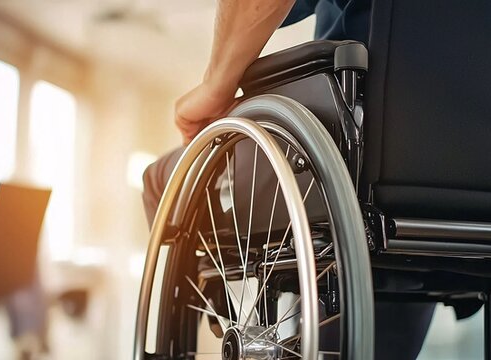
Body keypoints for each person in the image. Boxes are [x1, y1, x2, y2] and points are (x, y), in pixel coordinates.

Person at [142, 0, 435, 358]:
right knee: (393, 202)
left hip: (360, 141)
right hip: (490, 185)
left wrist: (215, 87)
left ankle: (219, 294)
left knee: (158, 179)